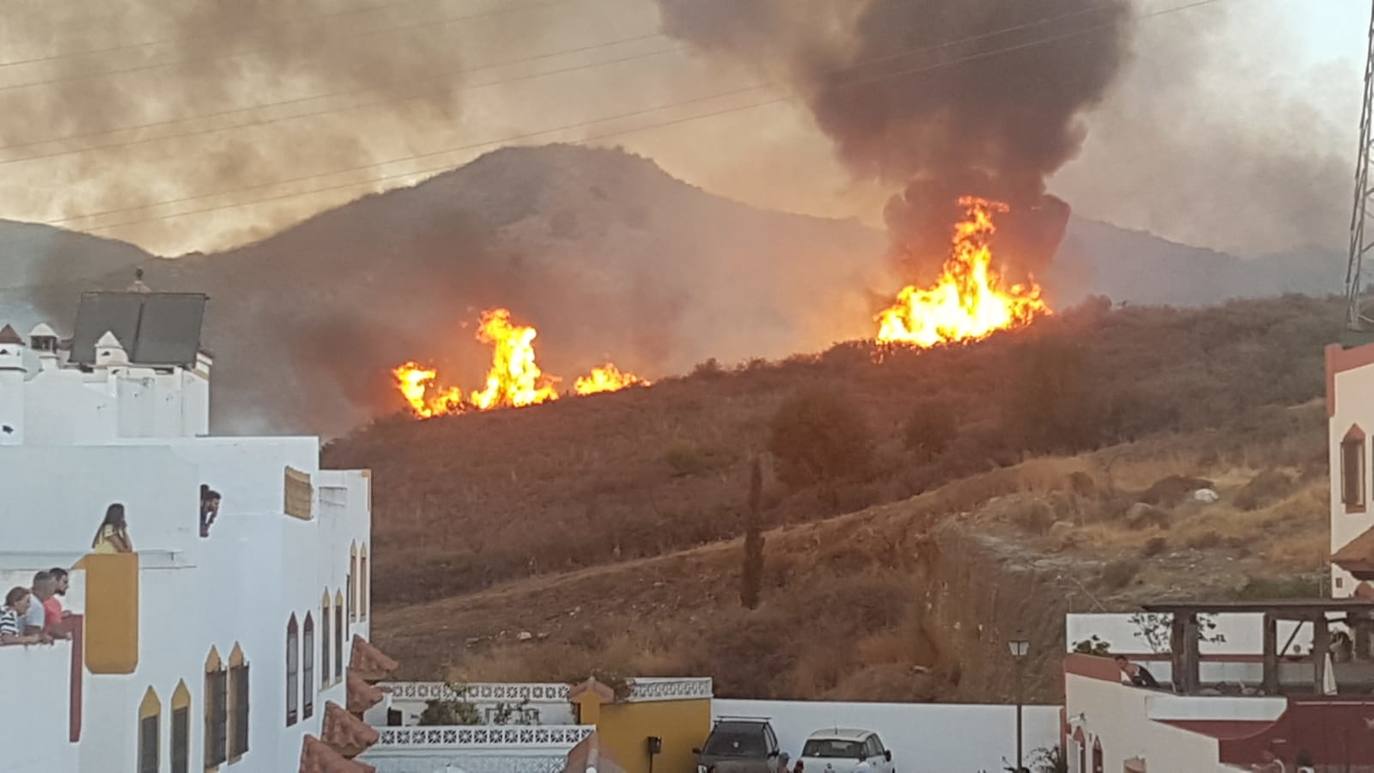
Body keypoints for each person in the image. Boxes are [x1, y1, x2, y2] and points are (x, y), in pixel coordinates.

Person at [22, 571, 52, 635]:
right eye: (52, 587)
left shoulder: (24, 598)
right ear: (46, 588)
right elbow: (33, 633)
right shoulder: (36, 606)